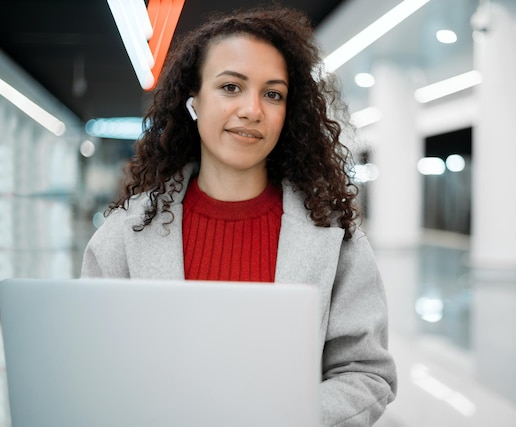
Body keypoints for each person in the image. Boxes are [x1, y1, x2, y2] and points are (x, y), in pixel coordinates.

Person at [81, 5, 396, 426]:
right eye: (231, 87)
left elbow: (364, 373)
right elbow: (92, 367)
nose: (252, 110)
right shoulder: (124, 233)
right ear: (192, 101)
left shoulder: (334, 236)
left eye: (273, 93)